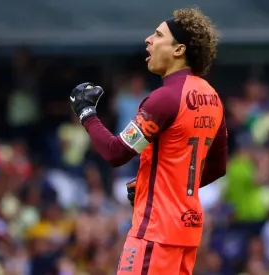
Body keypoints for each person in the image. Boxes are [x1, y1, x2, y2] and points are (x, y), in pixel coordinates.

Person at [68, 7, 227, 275]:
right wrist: (150, 184)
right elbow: (216, 167)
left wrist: (86, 113)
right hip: (187, 233)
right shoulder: (212, 97)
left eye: (157, 35)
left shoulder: (164, 98)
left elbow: (115, 153)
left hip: (155, 231)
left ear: (178, 50)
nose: (148, 40)